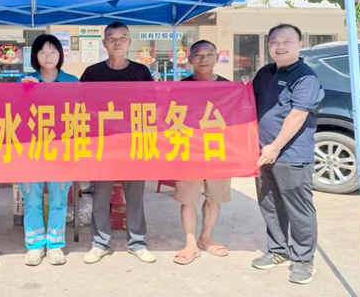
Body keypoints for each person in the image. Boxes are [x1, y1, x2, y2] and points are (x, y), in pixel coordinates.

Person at [251, 24, 324, 285]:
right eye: (274, 41)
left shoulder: (306, 77)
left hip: (291, 155)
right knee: (270, 204)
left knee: (298, 209)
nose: (279, 46)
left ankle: (303, 260)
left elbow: (298, 115)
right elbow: (248, 102)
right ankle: (278, 251)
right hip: (262, 153)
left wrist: (275, 147)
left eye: (286, 41)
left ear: (300, 44)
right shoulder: (265, 73)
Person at [80, 21, 155, 264]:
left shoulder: (141, 72)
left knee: (135, 196)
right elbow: (80, 105)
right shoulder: (92, 73)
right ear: (104, 43)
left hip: (134, 143)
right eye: (112, 38)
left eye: (122, 37)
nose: (117, 41)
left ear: (129, 42)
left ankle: (137, 242)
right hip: (104, 144)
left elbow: (153, 105)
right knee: (101, 196)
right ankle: (100, 243)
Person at [19, 34, 78, 266]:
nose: (48, 56)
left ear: (60, 55)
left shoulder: (72, 82)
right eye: (42, 52)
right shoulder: (24, 81)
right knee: (31, 198)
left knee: (58, 198)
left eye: (53, 51)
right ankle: (34, 245)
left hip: (62, 149)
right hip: (30, 150)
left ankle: (55, 245)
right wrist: (26, 92)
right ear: (35, 56)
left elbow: (81, 113)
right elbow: (14, 114)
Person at [173, 40, 231, 265]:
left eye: (209, 54)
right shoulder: (180, 87)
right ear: (190, 59)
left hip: (218, 150)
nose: (203, 59)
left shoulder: (230, 88)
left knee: (214, 197)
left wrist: (246, 85)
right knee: (188, 199)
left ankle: (206, 238)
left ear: (217, 58)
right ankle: (190, 243)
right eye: (198, 55)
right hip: (189, 151)